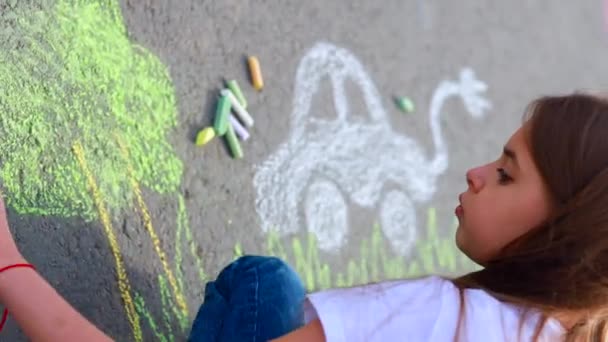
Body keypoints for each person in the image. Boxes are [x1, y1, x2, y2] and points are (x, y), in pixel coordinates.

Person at [0, 93, 606, 341]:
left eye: (506, 172)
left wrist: (11, 265)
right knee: (267, 284)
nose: (476, 172)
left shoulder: (434, 318)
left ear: (561, 234)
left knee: (263, 284)